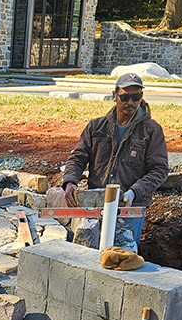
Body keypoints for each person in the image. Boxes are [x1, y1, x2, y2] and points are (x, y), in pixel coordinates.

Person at [60, 72, 169, 246]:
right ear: (114, 96)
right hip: (97, 205)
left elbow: (159, 169)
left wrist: (134, 192)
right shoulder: (96, 127)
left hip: (129, 210)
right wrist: (70, 181)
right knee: (91, 254)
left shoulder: (151, 130)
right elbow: (78, 157)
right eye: (125, 97)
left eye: (136, 97)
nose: (131, 102)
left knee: (122, 258)